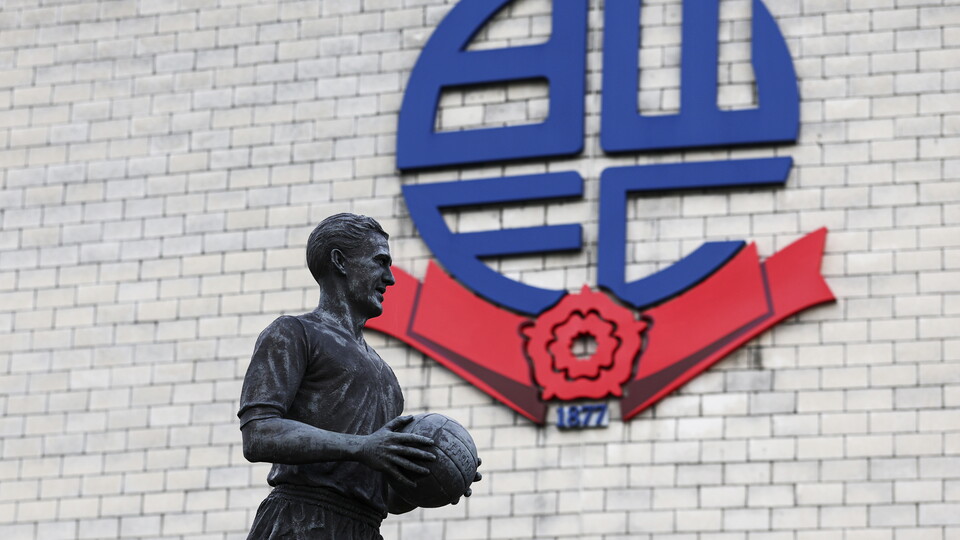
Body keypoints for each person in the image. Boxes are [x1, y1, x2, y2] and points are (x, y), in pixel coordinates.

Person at [238, 213, 478, 539]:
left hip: (365, 530)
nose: (390, 278)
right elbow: (258, 434)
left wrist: (435, 473)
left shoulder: (388, 380)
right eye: (380, 262)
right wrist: (362, 446)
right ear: (340, 262)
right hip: (300, 520)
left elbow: (386, 496)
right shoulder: (293, 333)